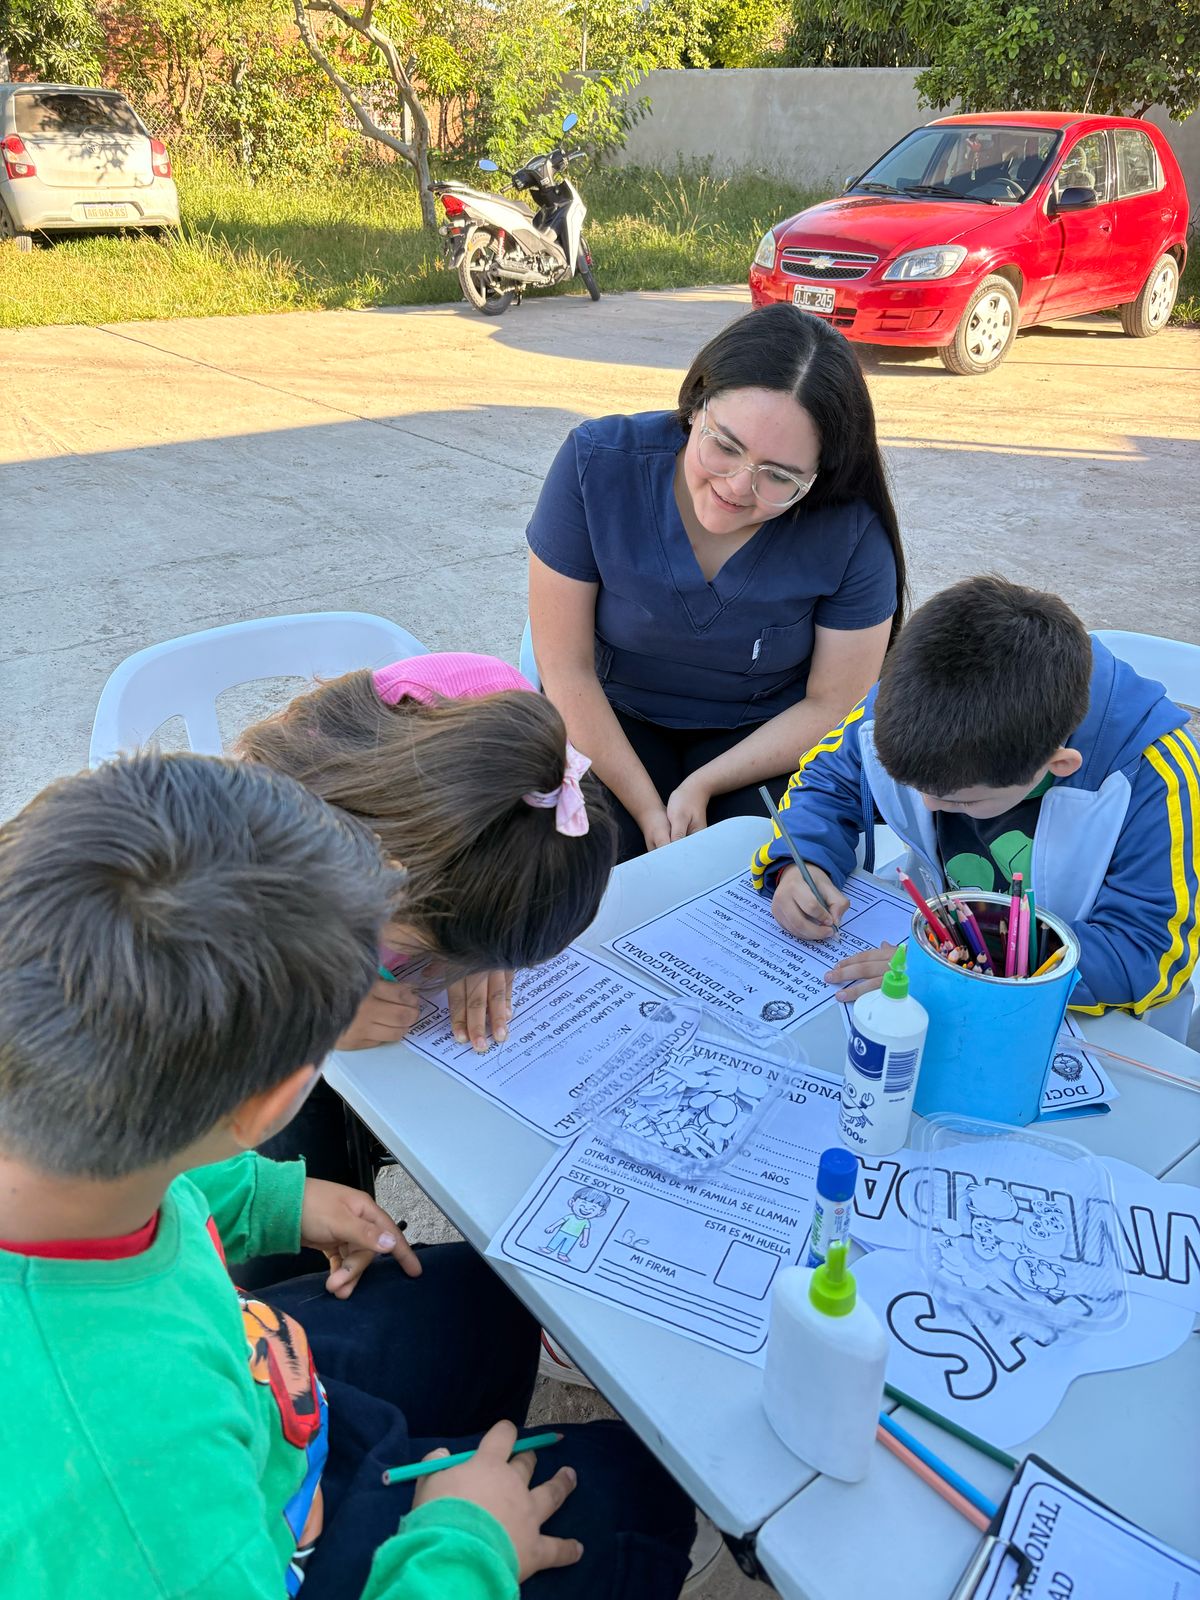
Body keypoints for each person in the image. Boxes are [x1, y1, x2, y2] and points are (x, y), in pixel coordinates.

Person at [0, 752, 696, 1600]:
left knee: (500, 1293)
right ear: (271, 1106)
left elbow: (136, 1188)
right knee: (639, 1491)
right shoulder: (129, 1501)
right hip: (266, 1530)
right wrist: (467, 1545)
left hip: (257, 1394)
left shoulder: (55, 1137)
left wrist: (271, 1198)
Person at [234, 654, 618, 1243]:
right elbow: (204, 990)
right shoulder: (260, 842)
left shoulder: (526, 760)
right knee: (293, 1161)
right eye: (430, 941)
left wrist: (483, 945)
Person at [526, 303, 906, 863]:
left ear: (820, 475)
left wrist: (703, 783)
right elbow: (565, 666)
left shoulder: (851, 531)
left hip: (768, 738)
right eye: (724, 446)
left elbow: (833, 705)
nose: (736, 486)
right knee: (579, 859)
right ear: (695, 403)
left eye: (779, 476)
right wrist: (647, 809)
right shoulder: (596, 464)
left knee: (775, 868)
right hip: (610, 717)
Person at [751, 575, 1200, 1038]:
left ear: (1058, 764)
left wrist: (956, 966)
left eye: (962, 799)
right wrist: (801, 862)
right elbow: (825, 781)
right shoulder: (907, 703)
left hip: (1089, 1019)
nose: (927, 805)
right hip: (935, 962)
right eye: (912, 787)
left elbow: (1145, 955)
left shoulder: (1152, 777)